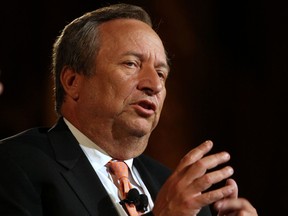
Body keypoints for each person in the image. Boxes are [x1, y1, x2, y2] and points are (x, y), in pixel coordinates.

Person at [0, 3, 258, 216]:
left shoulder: (177, 192)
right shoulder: (15, 164)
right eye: (132, 64)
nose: (154, 84)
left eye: (161, 73)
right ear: (72, 81)